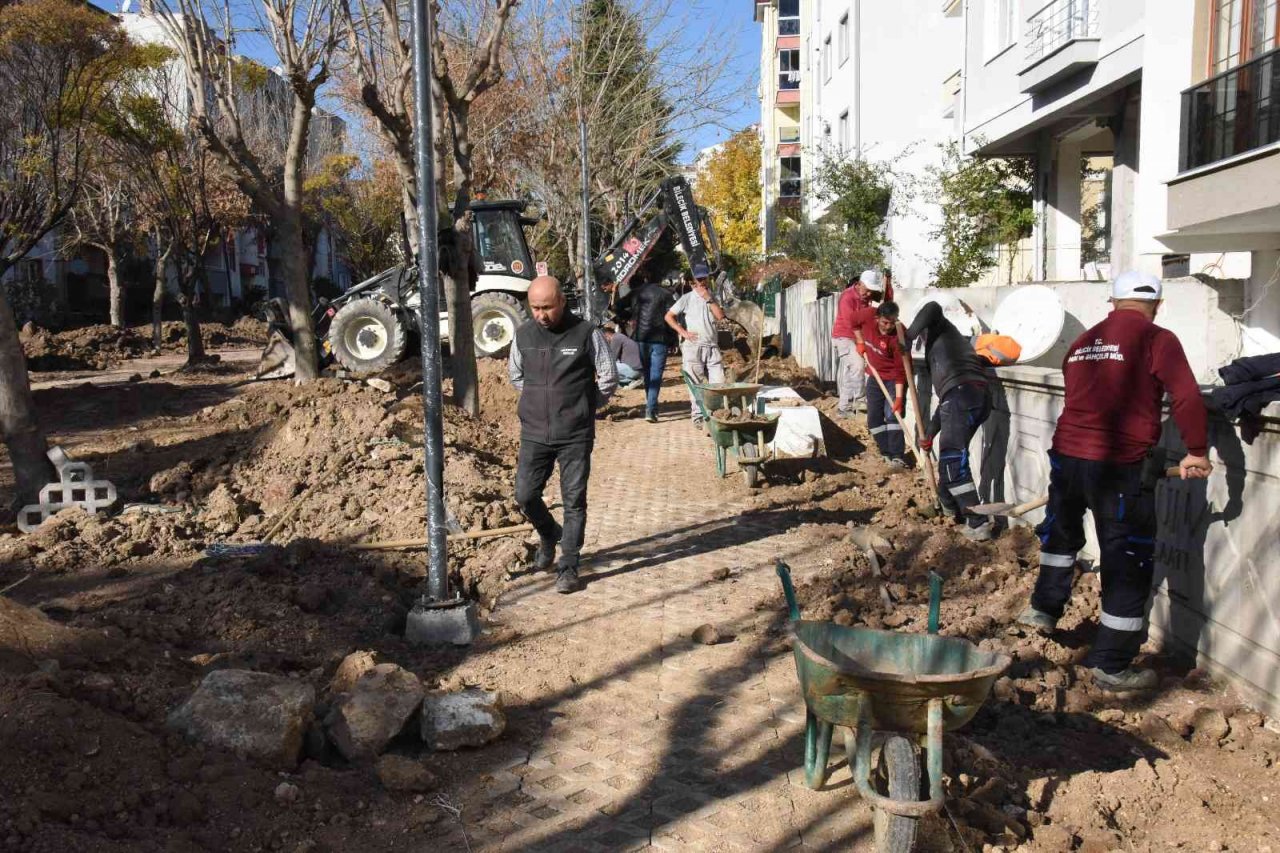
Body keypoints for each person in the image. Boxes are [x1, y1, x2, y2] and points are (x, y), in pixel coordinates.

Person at [1018, 271, 1212, 692]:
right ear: (1157, 305)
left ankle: (1043, 610)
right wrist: (1197, 450)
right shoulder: (1157, 338)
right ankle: (1111, 664)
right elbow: (1186, 396)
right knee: (1127, 560)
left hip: (1068, 457)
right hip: (1120, 466)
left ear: (1112, 303)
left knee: (1061, 536)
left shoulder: (1084, 341)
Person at [508, 275, 618, 594]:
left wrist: (582, 405)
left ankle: (568, 565)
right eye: (535, 308)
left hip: (574, 433)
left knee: (574, 500)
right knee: (524, 495)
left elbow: (608, 377)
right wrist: (538, 401)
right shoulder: (524, 334)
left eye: (547, 307)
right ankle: (549, 533)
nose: (541, 315)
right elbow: (516, 375)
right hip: (534, 432)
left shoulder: (586, 333)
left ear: (562, 301)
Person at [905, 300, 997, 542]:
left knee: (952, 461)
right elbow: (947, 400)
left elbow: (933, 306)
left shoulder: (942, 329)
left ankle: (977, 523)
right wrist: (930, 433)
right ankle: (948, 507)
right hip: (970, 397)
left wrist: (908, 336)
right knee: (950, 460)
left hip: (963, 396)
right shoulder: (944, 348)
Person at [665, 263, 726, 427]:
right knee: (695, 383)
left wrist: (709, 299)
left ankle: (716, 414)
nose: (702, 282)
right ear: (693, 281)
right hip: (693, 347)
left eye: (704, 278)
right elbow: (669, 316)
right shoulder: (687, 298)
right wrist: (683, 332)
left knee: (718, 382)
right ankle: (698, 416)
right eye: (699, 279)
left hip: (712, 346)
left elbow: (720, 316)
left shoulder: (713, 296)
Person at [852, 301, 908, 468]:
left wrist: (899, 398)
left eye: (892, 322)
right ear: (877, 318)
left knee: (892, 416)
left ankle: (897, 456)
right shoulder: (868, 315)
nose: (888, 326)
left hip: (893, 379)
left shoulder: (899, 337)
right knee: (874, 419)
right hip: (875, 376)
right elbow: (853, 321)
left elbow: (901, 371)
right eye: (885, 322)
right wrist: (860, 341)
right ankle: (886, 452)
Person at [831, 269, 886, 418]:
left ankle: (844, 409)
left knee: (851, 374)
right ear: (860, 284)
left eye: (871, 291)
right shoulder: (847, 297)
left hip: (857, 337)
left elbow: (882, 301)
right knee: (858, 366)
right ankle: (861, 400)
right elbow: (851, 323)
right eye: (867, 290)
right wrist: (861, 342)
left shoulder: (866, 297)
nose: (869, 294)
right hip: (844, 337)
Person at [628, 275, 676, 423]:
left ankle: (651, 406)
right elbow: (672, 317)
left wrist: (627, 318)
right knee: (656, 375)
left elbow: (617, 306)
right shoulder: (666, 294)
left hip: (642, 338)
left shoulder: (637, 293)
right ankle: (650, 409)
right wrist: (673, 340)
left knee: (648, 374)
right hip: (660, 339)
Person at [602, 324, 644, 389]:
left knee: (606, 366)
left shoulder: (616, 338)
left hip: (633, 370)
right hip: (638, 370)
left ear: (606, 335)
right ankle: (633, 381)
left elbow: (612, 359)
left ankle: (631, 381)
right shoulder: (621, 336)